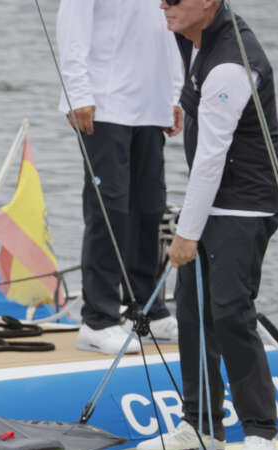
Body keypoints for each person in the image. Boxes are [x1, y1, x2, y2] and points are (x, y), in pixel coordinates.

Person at [137, 0, 278, 450]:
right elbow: (178, 77)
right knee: (193, 313)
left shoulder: (232, 67)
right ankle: (200, 426)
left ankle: (260, 428)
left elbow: (211, 158)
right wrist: (174, 105)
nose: (164, 5)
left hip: (245, 206)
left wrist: (185, 233)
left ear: (209, 2)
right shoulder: (193, 35)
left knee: (230, 312)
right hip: (214, 200)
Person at [56, 0, 184, 355]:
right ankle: (98, 319)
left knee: (150, 208)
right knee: (108, 210)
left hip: (150, 104)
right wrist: (78, 93)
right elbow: (72, 29)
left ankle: (146, 310)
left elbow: (167, 31)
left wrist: (174, 94)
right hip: (103, 102)